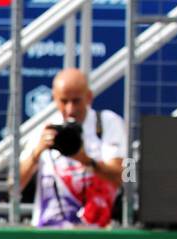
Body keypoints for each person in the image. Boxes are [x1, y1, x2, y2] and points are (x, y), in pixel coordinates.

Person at [19, 67, 126, 228]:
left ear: (89, 97)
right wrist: (37, 153)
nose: (70, 109)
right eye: (63, 101)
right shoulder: (44, 129)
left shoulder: (109, 123)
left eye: (76, 101)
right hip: (49, 233)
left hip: (99, 233)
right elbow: (13, 185)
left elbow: (126, 177)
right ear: (54, 98)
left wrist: (86, 160)